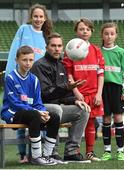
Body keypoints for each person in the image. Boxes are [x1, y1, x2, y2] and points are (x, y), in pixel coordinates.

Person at [31, 32, 91, 163]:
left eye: (59, 46)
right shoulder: (39, 65)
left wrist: (75, 100)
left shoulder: (62, 65)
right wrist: (66, 88)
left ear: (63, 48)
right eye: (53, 45)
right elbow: (45, 94)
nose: (57, 49)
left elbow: (64, 96)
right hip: (40, 109)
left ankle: (71, 151)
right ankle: (52, 151)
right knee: (57, 109)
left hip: (57, 108)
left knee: (84, 110)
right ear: (47, 47)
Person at [4, 3, 53, 163]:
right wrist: (11, 73)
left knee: (40, 114)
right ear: (31, 17)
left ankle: (39, 153)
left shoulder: (46, 36)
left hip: (38, 81)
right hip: (21, 77)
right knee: (24, 112)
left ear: (45, 19)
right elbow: (14, 51)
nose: (38, 19)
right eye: (35, 16)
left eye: (41, 16)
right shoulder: (23, 29)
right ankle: (23, 154)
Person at [0, 46, 60, 165]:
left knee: (54, 117)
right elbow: (15, 103)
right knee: (33, 114)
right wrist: (37, 112)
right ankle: (36, 157)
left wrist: (43, 112)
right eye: (24, 60)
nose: (28, 63)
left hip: (32, 113)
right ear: (17, 60)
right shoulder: (10, 78)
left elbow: (38, 103)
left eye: (31, 60)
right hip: (13, 113)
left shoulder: (34, 80)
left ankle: (47, 155)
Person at [63, 18, 105, 161]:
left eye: (87, 29)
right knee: (77, 123)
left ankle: (90, 152)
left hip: (93, 93)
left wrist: (99, 93)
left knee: (91, 122)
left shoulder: (96, 50)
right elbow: (68, 73)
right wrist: (76, 92)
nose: (84, 31)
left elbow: (100, 73)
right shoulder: (70, 48)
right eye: (81, 29)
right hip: (79, 94)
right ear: (76, 31)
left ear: (91, 31)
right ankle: (74, 151)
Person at [100, 22, 124, 161]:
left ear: (116, 35)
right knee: (106, 119)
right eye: (106, 33)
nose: (109, 36)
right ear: (102, 35)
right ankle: (107, 151)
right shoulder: (98, 51)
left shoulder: (121, 52)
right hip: (102, 88)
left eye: (112, 34)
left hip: (117, 89)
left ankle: (120, 151)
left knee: (119, 118)